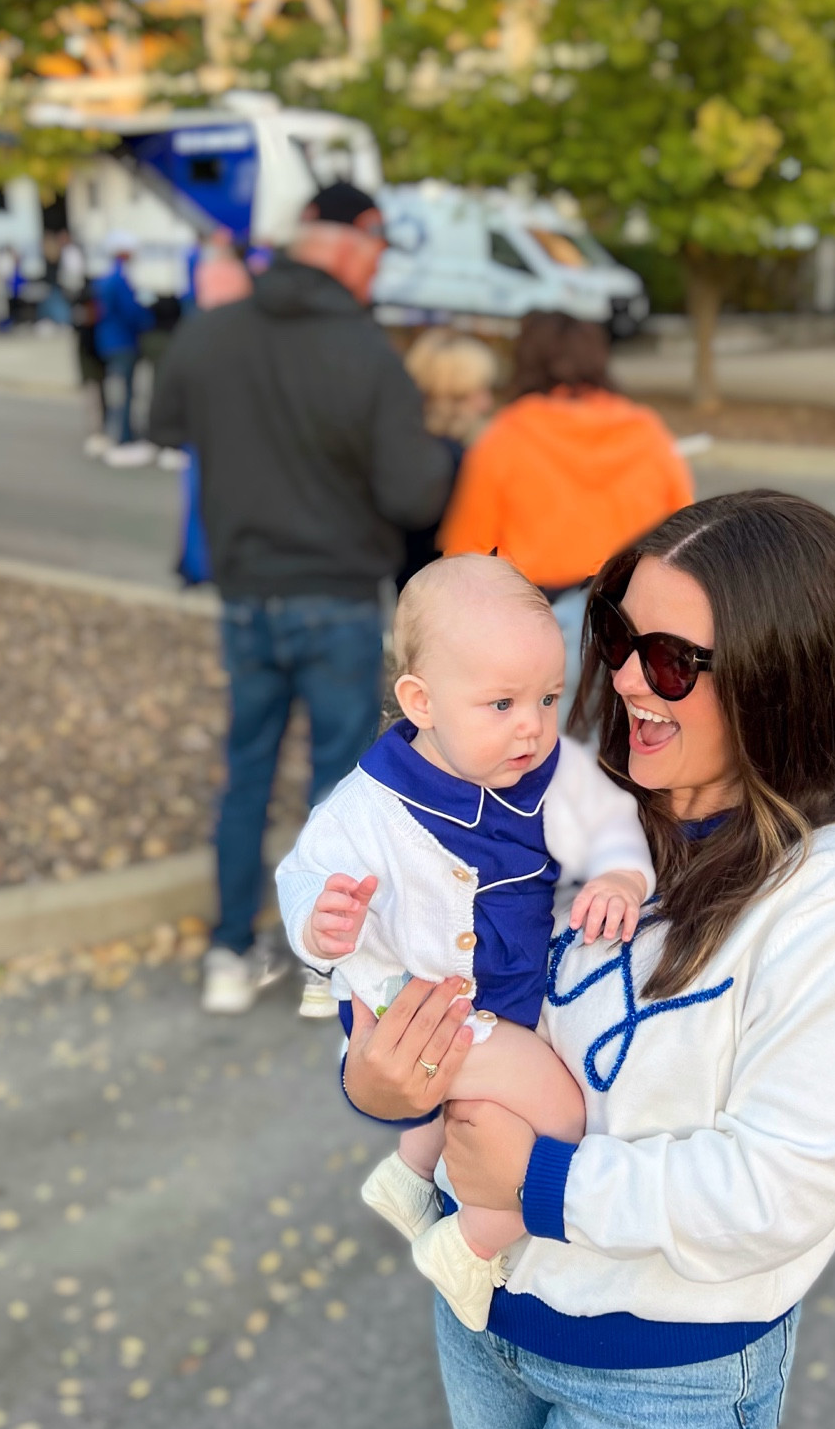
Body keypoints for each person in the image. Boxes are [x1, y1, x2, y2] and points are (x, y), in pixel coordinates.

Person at [336, 490, 835, 1429]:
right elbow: (422, 967)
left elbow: (780, 1189)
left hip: (659, 1384)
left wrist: (535, 1185)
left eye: (674, 659)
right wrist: (373, 1077)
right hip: (486, 1317)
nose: (628, 682)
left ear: (784, 677)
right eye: (615, 632)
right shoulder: (562, 801)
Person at [277, 555, 654, 1328]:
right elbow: (305, 872)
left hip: (499, 997)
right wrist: (321, 923)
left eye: (549, 698)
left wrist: (620, 876)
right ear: (421, 703)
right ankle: (471, 1245)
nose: (533, 725)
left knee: (494, 1116)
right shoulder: (368, 806)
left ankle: (413, 1174)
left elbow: (613, 825)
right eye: (502, 703)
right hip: (415, 1007)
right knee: (560, 1112)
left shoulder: (549, 771)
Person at [149, 180, 454, 1016]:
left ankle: (227, 950)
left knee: (246, 772)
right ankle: (330, 971)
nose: (378, 272)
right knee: (340, 785)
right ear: (352, 246)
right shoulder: (367, 354)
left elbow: (164, 422)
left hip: (247, 596)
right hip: (337, 595)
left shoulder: (214, 335)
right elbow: (414, 496)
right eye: (380, 254)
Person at [439, 310, 693, 713]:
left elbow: (464, 553)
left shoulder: (508, 435)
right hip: (633, 627)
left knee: (539, 759)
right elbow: (687, 535)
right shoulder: (646, 432)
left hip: (537, 621)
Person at [396, 328, 499, 589]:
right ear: (454, 394)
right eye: (478, 390)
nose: (486, 403)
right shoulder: (454, 462)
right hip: (440, 597)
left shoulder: (402, 448)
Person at [93, 238, 156, 465]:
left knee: (118, 390)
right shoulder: (120, 280)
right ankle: (123, 438)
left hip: (108, 341)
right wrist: (150, 319)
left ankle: (117, 434)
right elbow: (132, 312)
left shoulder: (105, 279)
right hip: (122, 342)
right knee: (124, 392)